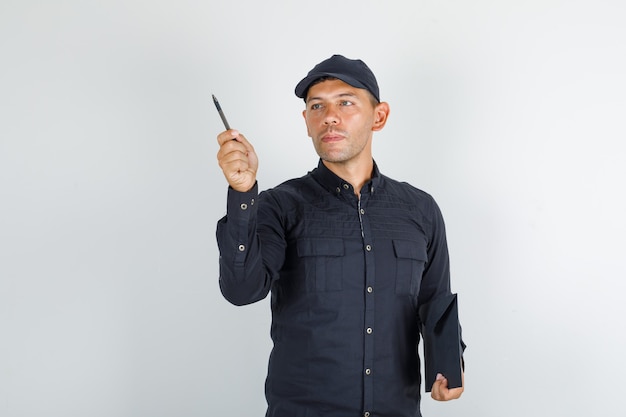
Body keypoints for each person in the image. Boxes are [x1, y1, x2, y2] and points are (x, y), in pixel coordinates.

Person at [216, 54, 465, 417]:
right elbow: (241, 290)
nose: (329, 116)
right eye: (317, 106)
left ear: (378, 116)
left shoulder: (420, 209)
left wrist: (449, 366)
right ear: (306, 122)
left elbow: (435, 300)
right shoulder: (278, 205)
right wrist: (243, 192)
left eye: (345, 102)